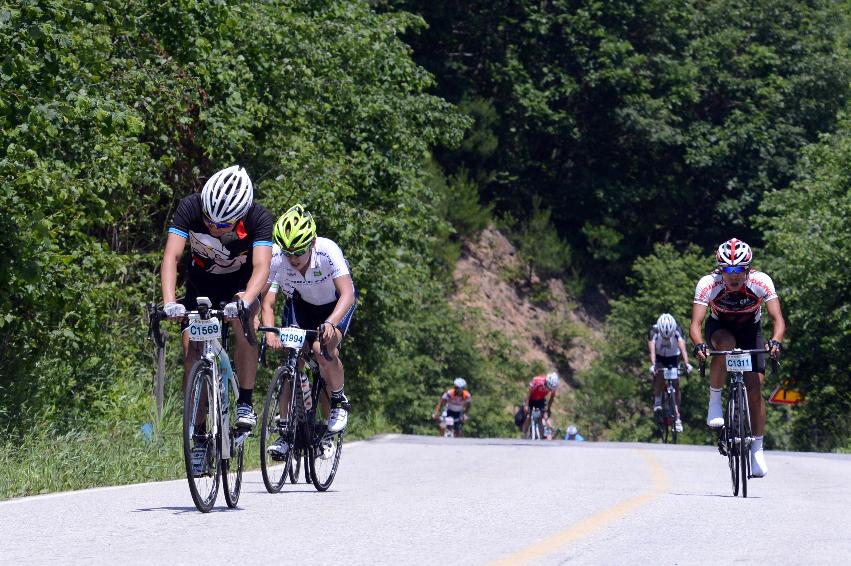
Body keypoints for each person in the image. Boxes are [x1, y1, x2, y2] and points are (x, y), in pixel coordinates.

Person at [161, 165, 273, 473]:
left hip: (240, 286)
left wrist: (248, 299)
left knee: (244, 322)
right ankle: (199, 437)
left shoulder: (258, 218)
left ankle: (246, 402)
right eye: (208, 219)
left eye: (221, 224)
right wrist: (170, 301)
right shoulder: (190, 206)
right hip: (201, 286)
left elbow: (263, 267)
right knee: (191, 350)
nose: (212, 226)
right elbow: (171, 257)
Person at [260, 204, 356, 458]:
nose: (294, 258)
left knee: (321, 349)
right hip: (301, 306)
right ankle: (285, 432)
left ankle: (338, 400)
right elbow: (267, 302)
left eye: (300, 251)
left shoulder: (327, 251)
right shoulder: (277, 258)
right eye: (289, 251)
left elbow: (348, 294)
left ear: (312, 242)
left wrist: (331, 323)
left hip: (334, 307)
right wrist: (270, 333)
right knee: (291, 361)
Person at [690, 238, 785, 478]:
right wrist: (699, 344)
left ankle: (757, 450)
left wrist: (776, 340)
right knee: (726, 344)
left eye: (739, 270)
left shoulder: (760, 281)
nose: (733, 276)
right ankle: (715, 403)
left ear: (748, 269)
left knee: (755, 389)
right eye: (728, 270)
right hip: (720, 328)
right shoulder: (708, 284)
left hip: (750, 331)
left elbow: (778, 320)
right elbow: (696, 324)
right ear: (720, 269)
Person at [648, 313, 693, 433]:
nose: (667, 339)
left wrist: (687, 363)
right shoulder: (653, 331)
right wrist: (653, 365)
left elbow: (683, 348)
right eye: (664, 337)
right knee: (660, 374)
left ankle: (677, 416)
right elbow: (652, 350)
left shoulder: (678, 330)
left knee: (676, 384)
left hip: (673, 357)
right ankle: (658, 402)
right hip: (659, 357)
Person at [523, 372, 559, 438]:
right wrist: (526, 405)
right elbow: (529, 393)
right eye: (548, 386)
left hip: (540, 399)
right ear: (546, 381)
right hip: (531, 398)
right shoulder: (537, 380)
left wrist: (548, 408)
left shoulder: (554, 386)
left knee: (545, 415)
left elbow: (552, 397)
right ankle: (525, 432)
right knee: (528, 416)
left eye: (550, 389)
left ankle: (550, 430)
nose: (548, 389)